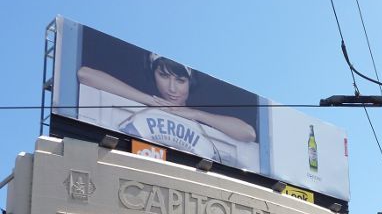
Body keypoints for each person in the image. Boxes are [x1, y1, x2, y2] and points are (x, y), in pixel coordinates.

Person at [77, 54, 256, 143]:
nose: (172, 88)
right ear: (152, 74)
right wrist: (149, 100)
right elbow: (85, 74)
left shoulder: (198, 118)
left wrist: (195, 114)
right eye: (163, 76)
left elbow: (248, 133)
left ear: (191, 83)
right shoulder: (142, 104)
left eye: (180, 80)